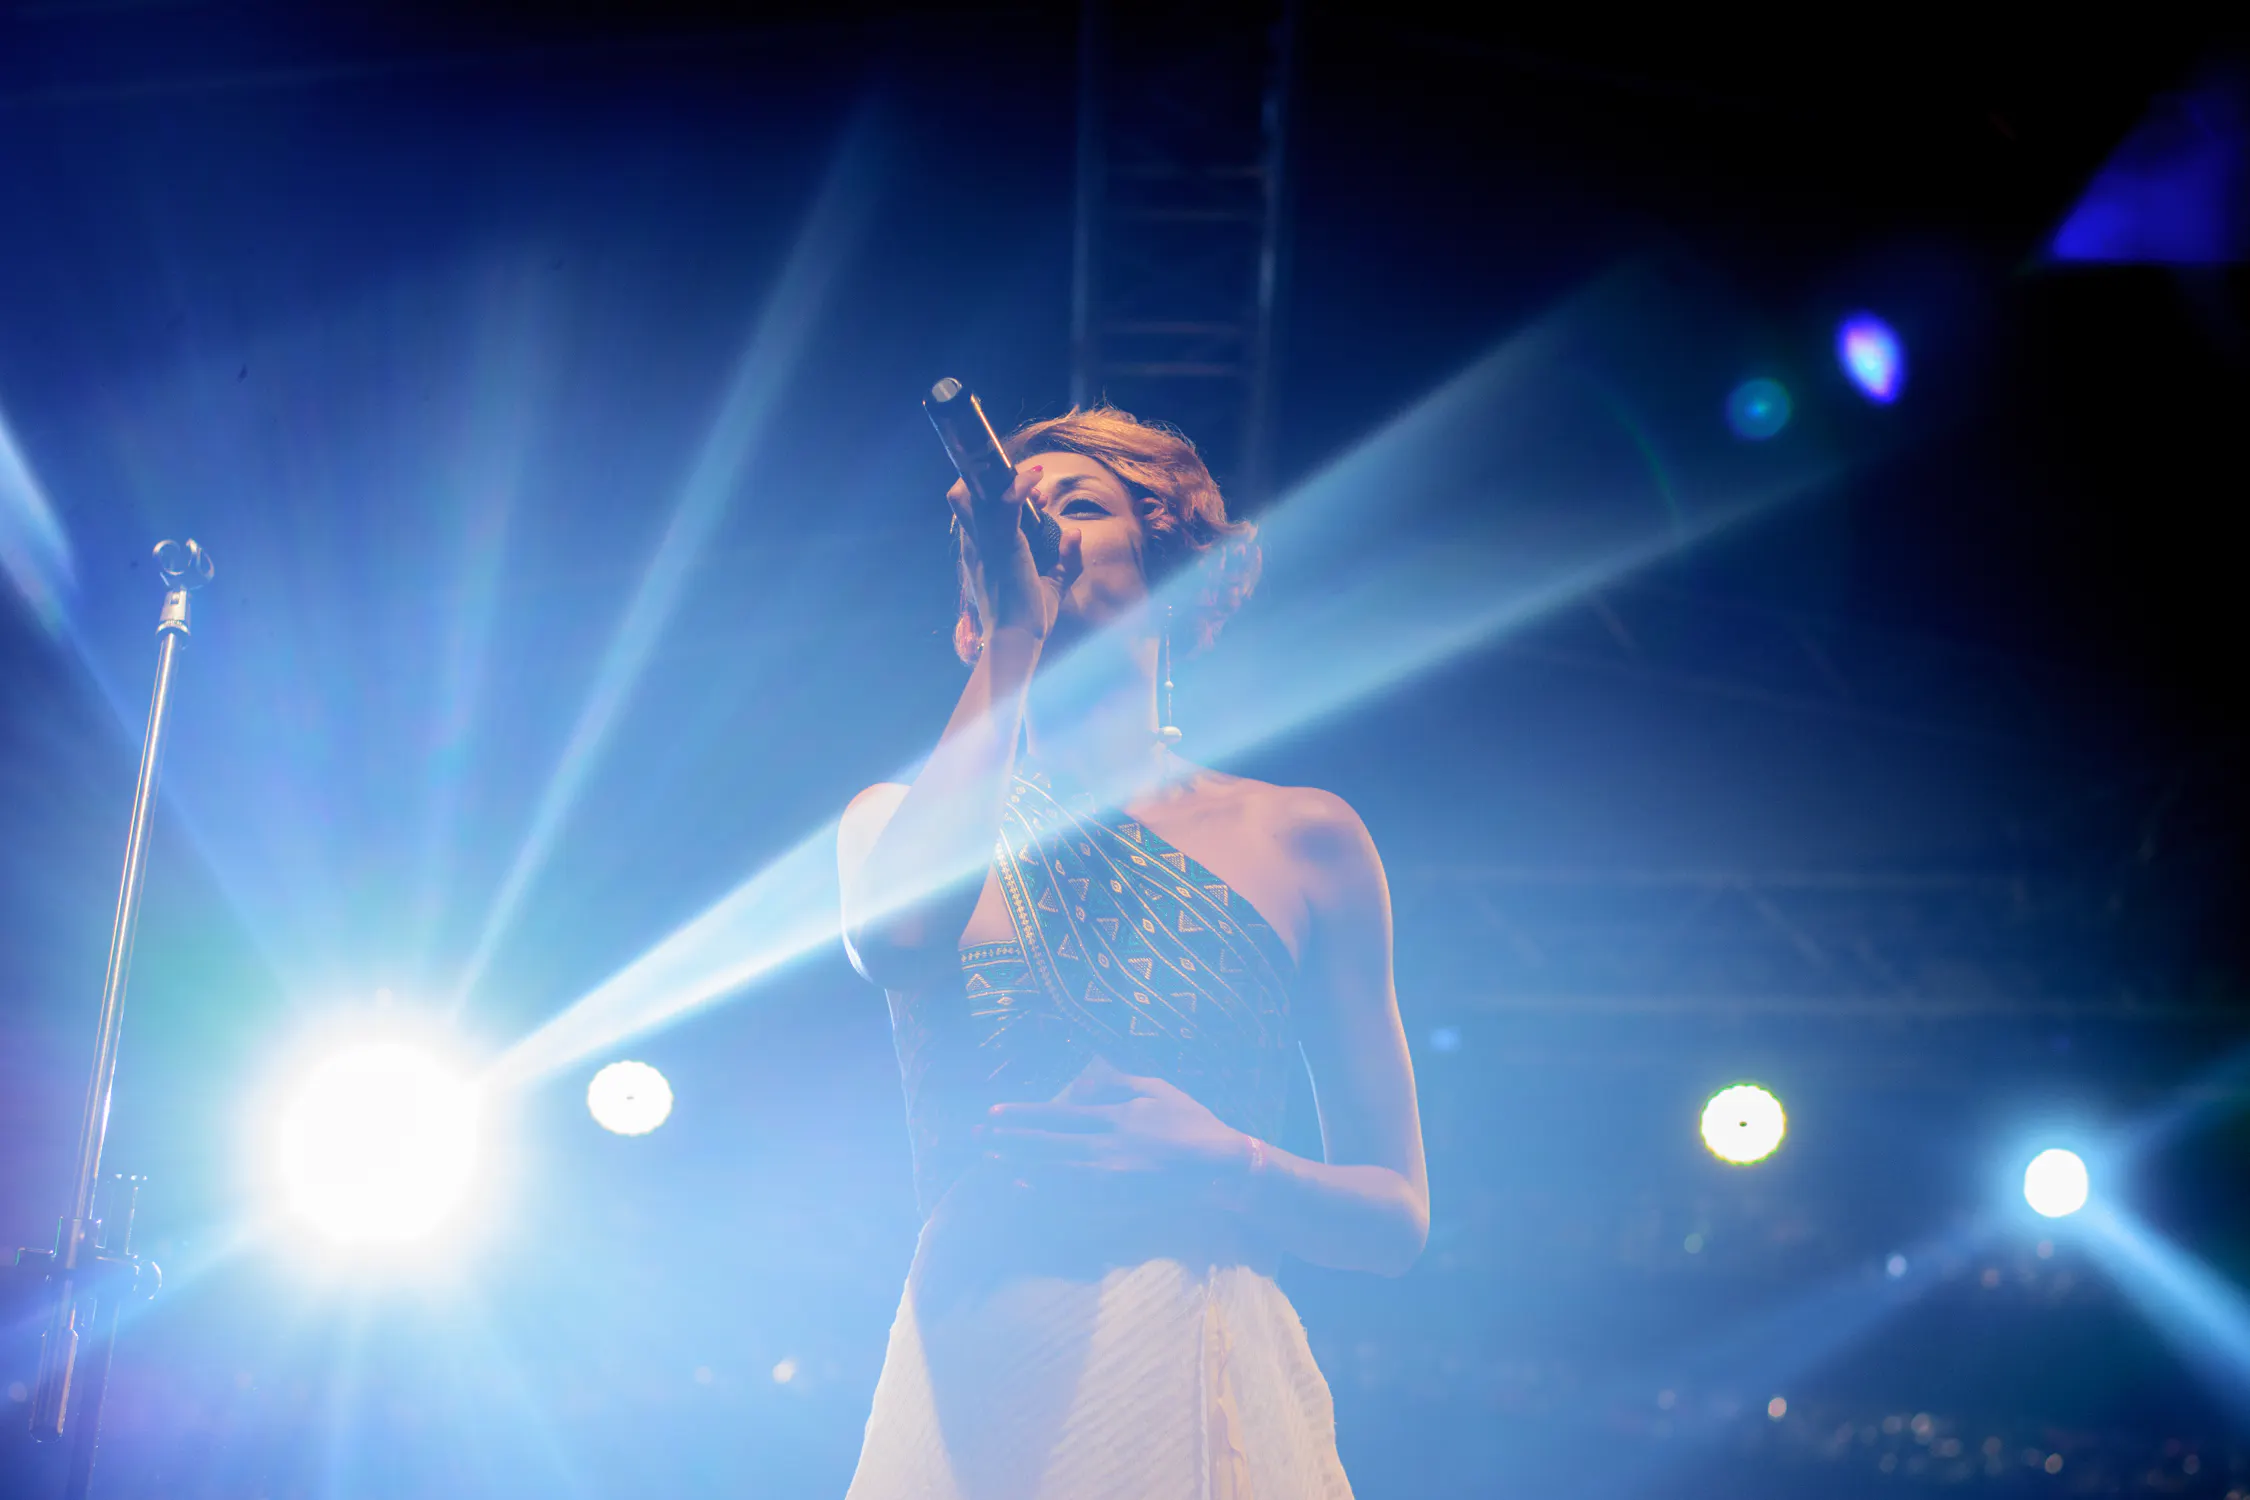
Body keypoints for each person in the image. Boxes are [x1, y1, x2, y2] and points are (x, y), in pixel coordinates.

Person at [835, 407, 1428, 1500]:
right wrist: (1017, 633)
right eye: (1023, 516)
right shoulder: (895, 820)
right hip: (978, 1383)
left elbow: (1394, 1215)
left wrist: (1228, 1160)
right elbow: (900, 940)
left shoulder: (1302, 838)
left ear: (1180, 573)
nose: (1045, 530)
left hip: (1203, 1367)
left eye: (1080, 504)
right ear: (972, 612)